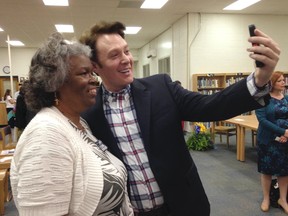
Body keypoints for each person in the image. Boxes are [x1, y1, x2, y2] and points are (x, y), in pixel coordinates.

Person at [79, 21, 280, 216]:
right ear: (95, 66)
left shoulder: (161, 88)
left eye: (126, 51)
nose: (126, 59)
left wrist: (260, 78)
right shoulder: (87, 112)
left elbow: (211, 106)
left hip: (182, 205)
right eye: (114, 55)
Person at [10, 32, 133, 216]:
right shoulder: (46, 136)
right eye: (84, 73)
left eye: (92, 72)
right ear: (55, 83)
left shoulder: (79, 123)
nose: (94, 79)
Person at [255, 71, 288, 214]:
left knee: (284, 171)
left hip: (285, 140)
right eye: (280, 81)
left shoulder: (286, 98)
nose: (284, 83)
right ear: (272, 83)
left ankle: (283, 199)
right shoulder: (263, 99)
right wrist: (283, 132)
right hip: (268, 139)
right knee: (266, 170)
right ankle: (266, 198)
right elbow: (262, 120)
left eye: (284, 80)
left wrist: (286, 133)